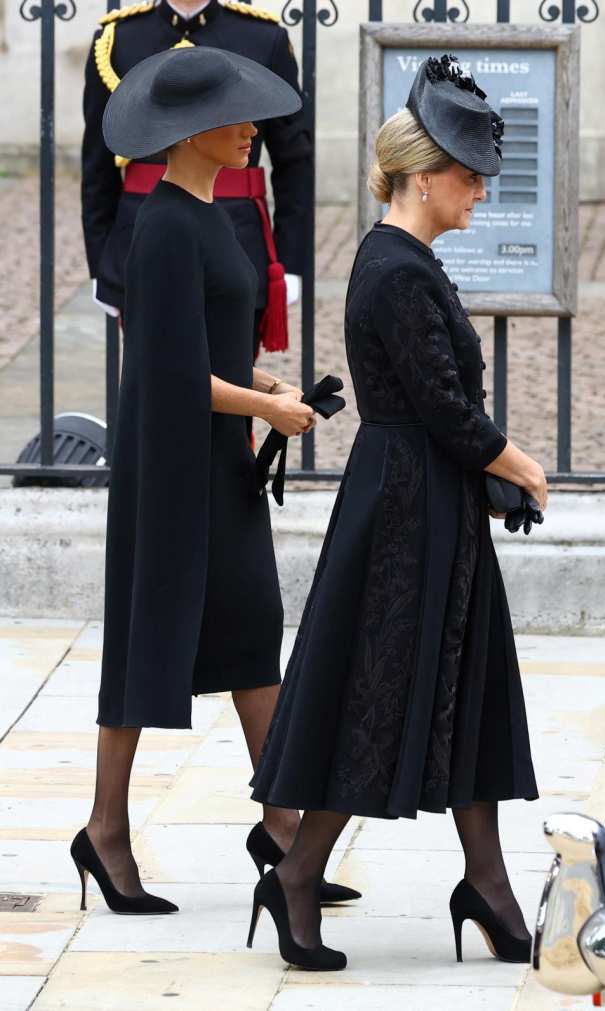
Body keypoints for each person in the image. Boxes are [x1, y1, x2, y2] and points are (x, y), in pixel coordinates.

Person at [249, 55, 548, 971]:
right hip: (406, 515)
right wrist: (522, 464)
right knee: (374, 696)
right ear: (423, 179)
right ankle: (299, 870)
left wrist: (488, 472)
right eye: (467, 176)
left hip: (428, 502)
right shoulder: (394, 273)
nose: (480, 190)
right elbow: (446, 410)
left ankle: (487, 883)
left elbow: (442, 412)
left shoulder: (404, 261)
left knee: (467, 687)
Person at [69, 46, 359, 916]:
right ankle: (106, 830)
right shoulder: (158, 229)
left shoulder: (213, 221)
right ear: (189, 133)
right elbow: (167, 370)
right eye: (235, 122)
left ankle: (280, 827)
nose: (250, 133)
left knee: (248, 628)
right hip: (172, 470)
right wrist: (263, 410)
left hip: (220, 461)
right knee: (145, 641)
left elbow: (215, 345)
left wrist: (264, 385)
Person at [82, 0, 312, 356]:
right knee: (156, 373)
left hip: (239, 234)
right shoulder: (118, 38)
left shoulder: (263, 36)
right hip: (141, 232)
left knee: (234, 373)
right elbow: (97, 163)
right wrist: (101, 261)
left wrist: (290, 262)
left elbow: (293, 161)